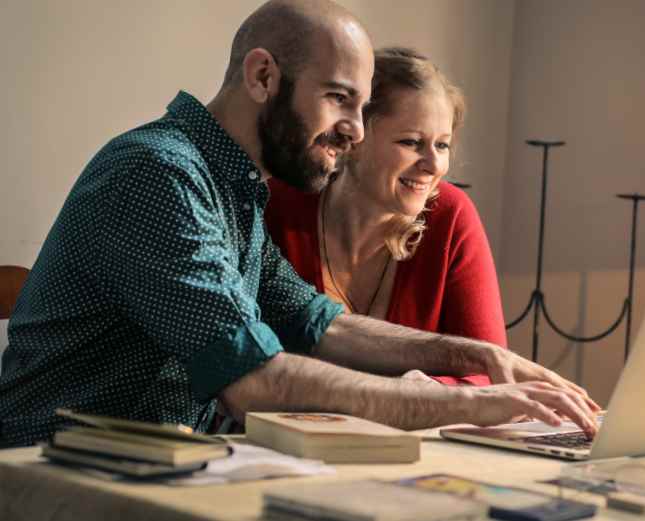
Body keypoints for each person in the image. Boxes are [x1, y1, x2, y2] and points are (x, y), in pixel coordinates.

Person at [0, 0, 598, 449]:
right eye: (339, 99)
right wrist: (471, 405)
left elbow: (318, 323)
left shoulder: (232, 186)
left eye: (362, 108)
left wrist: (480, 358)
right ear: (263, 78)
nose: (357, 131)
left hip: (153, 466)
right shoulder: (159, 174)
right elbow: (253, 378)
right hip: (53, 471)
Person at [266, 47, 504, 386]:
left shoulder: (450, 215)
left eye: (442, 145)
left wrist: (427, 392)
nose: (434, 166)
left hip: (418, 437)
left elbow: (488, 371)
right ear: (354, 138)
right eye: (411, 142)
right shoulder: (277, 204)